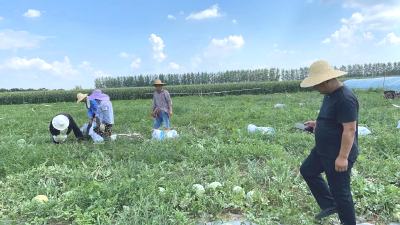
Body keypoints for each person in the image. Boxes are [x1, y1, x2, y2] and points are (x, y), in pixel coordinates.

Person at [299, 60, 359, 224]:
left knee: (341, 193)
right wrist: (318, 124)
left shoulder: (345, 98)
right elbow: (334, 119)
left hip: (337, 153)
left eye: (316, 85)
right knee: (307, 170)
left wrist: (343, 157)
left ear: (326, 80)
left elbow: (350, 130)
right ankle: (329, 204)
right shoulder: (329, 94)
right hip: (323, 150)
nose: (315, 88)